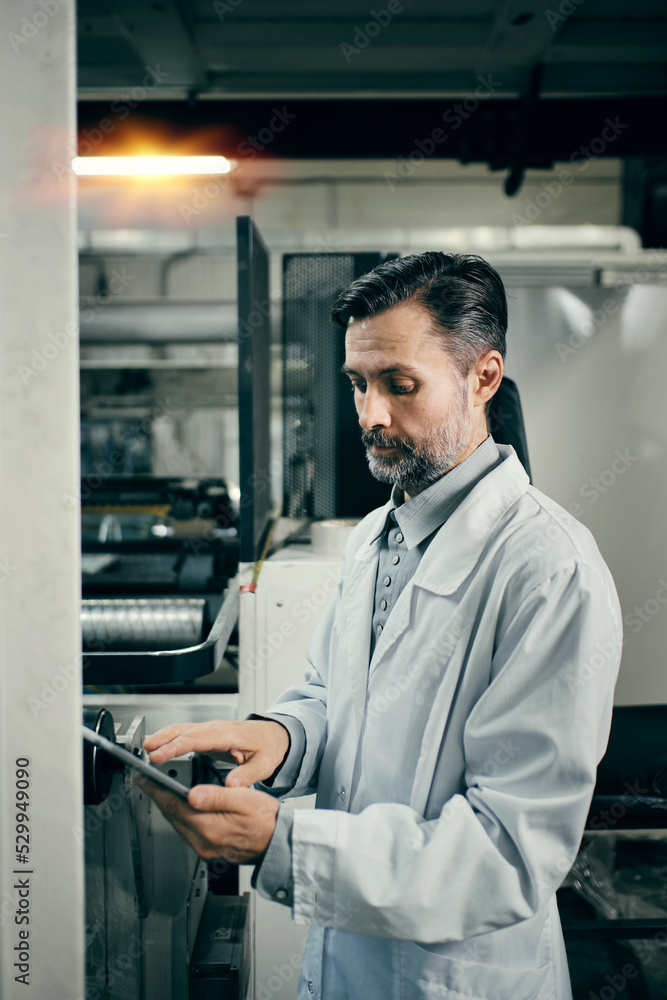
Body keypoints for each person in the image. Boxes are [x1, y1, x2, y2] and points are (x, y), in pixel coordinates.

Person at [141, 253, 623, 1000]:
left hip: (458, 979)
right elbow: (331, 695)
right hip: (347, 964)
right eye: (359, 384)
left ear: (483, 377)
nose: (369, 414)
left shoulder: (548, 569)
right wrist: (284, 735)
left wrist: (282, 844)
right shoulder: (375, 535)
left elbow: (508, 853)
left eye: (399, 385)